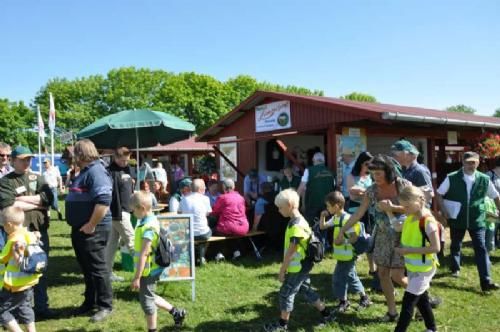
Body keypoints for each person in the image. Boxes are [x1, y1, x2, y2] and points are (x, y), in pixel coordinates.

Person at [337, 154, 410, 322]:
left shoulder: (402, 185)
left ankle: (423, 300)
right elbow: (359, 212)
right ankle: (392, 312)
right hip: (383, 236)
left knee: (398, 276)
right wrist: (343, 229)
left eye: (378, 174)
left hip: (404, 236)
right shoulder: (371, 191)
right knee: (383, 273)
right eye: (372, 174)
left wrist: (393, 207)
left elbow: (416, 208)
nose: (374, 177)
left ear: (388, 171)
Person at [263, 189, 333, 332]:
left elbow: (291, 251)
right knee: (305, 289)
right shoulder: (299, 220)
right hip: (303, 264)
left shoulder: (296, 225)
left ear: (290, 205)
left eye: (280, 207)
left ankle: (282, 324)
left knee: (286, 292)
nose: (278, 210)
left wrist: (282, 270)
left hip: (298, 266)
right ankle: (326, 313)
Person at [0, 146, 54, 319]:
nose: (26, 162)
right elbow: (10, 205)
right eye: (22, 159)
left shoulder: (37, 178)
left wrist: (22, 200)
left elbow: (48, 198)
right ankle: (20, 310)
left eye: (29, 159)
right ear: (13, 161)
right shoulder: (6, 182)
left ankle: (41, 307)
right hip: (17, 233)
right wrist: (38, 203)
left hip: (38, 231)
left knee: (40, 268)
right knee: (19, 270)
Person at [436, 151, 500, 291]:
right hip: (457, 217)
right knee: (456, 244)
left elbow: (495, 196)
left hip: (477, 219)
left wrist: (498, 209)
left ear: (478, 162)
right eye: (469, 162)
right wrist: (444, 210)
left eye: (474, 162)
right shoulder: (452, 177)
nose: (472, 165)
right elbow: (439, 193)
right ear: (463, 163)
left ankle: (486, 281)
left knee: (481, 249)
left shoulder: (484, 179)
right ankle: (455, 267)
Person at [65, 139, 113, 322]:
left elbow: (103, 202)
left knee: (97, 267)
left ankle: (105, 305)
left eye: (74, 154)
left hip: (94, 228)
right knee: (87, 267)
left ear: (80, 154)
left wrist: (92, 224)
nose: (73, 157)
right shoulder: (85, 171)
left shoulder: (96, 171)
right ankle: (90, 302)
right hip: (82, 227)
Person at [129, 191, 186, 331]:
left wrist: (137, 277)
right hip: (149, 268)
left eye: (133, 210)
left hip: (149, 269)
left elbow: (144, 254)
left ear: (142, 208)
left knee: (147, 302)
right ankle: (176, 313)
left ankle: (152, 330)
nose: (132, 213)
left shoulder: (148, 228)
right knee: (150, 295)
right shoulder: (148, 220)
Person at [389, 186, 440, 332]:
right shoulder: (410, 217)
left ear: (419, 201)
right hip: (413, 268)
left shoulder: (428, 221)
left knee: (408, 302)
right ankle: (432, 328)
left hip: (425, 269)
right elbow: (398, 228)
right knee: (422, 299)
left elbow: (436, 248)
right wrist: (389, 212)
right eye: (403, 206)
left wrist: (408, 251)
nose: (404, 209)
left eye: (407, 206)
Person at [320, 191, 371, 313]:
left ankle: (356, 299)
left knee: (342, 278)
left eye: (328, 206)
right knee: (347, 277)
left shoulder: (348, 219)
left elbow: (354, 237)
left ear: (337, 206)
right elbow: (323, 227)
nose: (327, 208)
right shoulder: (335, 218)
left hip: (349, 255)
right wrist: (322, 216)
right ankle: (350, 300)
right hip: (341, 256)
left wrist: (343, 242)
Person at [0, 207, 42, 332]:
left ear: (9, 225)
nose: (4, 229)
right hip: (29, 282)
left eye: (4, 226)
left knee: (2, 311)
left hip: (15, 284)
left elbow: (3, 258)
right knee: (25, 306)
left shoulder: (13, 240)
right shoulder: (30, 234)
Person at [105, 147, 135, 283]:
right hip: (118, 212)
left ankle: (106, 274)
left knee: (111, 244)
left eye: (127, 160)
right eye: (122, 160)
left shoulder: (128, 169)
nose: (125, 163)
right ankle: (146, 271)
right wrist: (115, 212)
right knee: (132, 240)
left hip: (127, 210)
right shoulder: (110, 171)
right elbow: (112, 193)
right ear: (115, 158)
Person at [297, 152, 336, 225]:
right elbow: (334, 189)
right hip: (327, 207)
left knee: (312, 229)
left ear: (314, 161)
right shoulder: (331, 172)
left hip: (312, 206)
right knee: (326, 228)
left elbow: (301, 188)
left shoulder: (308, 170)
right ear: (323, 161)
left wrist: (293, 201)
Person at [179, 179, 212, 264]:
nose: (205, 189)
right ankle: (202, 256)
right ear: (200, 189)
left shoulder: (184, 199)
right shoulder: (205, 199)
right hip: (203, 233)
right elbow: (208, 214)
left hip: (188, 233)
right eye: (204, 187)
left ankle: (194, 255)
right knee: (210, 230)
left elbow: (179, 213)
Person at [391, 139, 434, 204]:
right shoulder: (403, 170)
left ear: (410, 155)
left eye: (398, 153)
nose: (394, 156)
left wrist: (418, 211)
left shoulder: (419, 171)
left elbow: (429, 194)